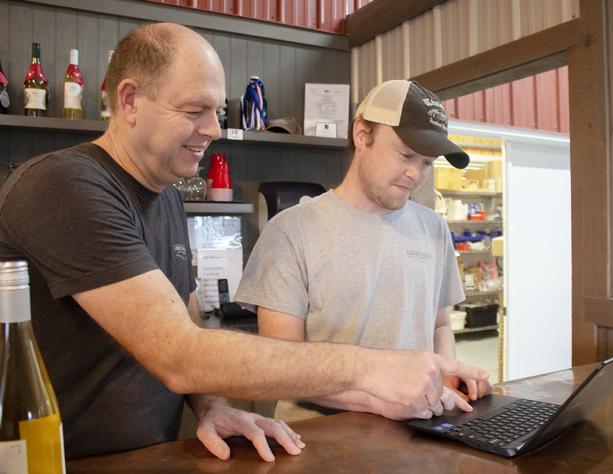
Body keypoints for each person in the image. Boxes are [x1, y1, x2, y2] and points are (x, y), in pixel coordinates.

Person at [0, 23, 486, 462]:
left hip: (147, 455)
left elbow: (184, 319)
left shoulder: (165, 197)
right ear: (128, 100)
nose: (213, 128)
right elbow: (179, 354)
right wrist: (375, 370)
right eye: (195, 110)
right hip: (61, 461)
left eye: (216, 110)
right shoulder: (65, 186)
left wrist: (212, 406)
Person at [237, 80, 493, 421]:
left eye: (427, 163)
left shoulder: (433, 228)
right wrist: (383, 397)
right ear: (362, 135)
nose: (416, 174)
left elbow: (439, 326)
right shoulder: (289, 231)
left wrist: (448, 376)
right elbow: (281, 366)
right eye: (405, 155)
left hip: (420, 435)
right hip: (318, 443)